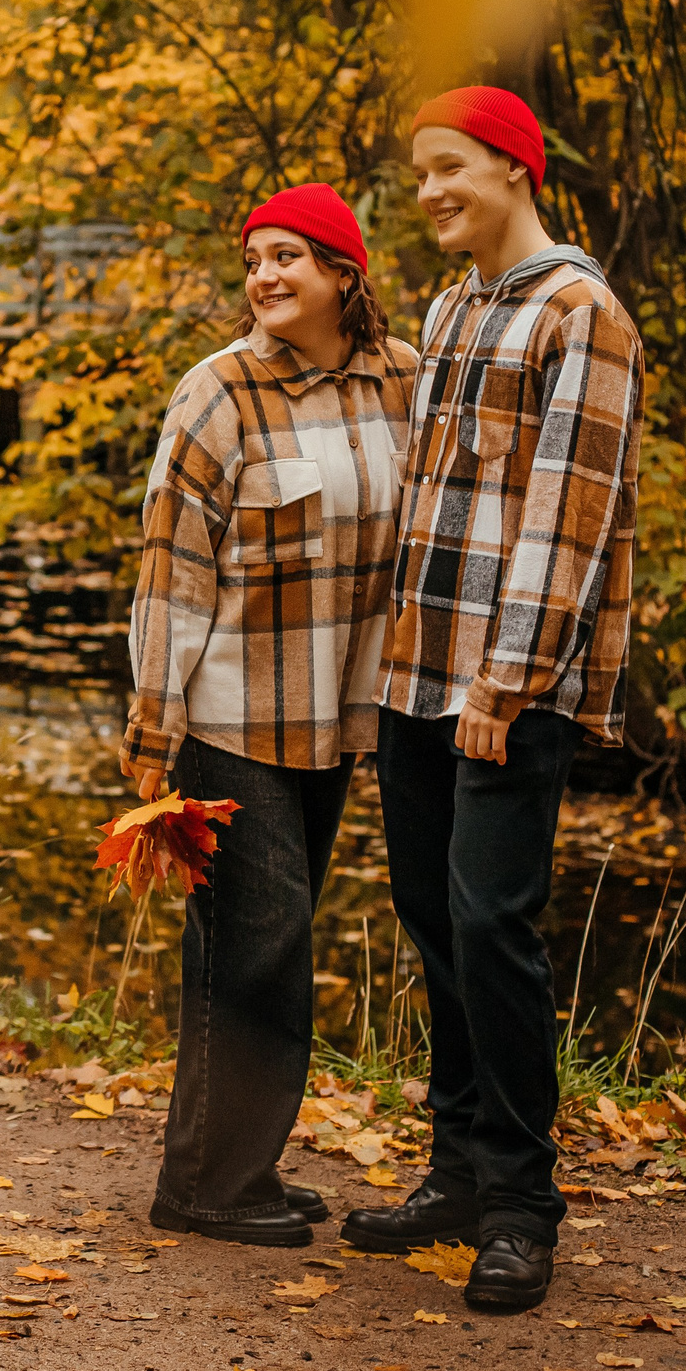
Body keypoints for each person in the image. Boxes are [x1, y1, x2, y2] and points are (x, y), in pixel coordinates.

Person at [340, 87, 645, 1312]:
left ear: (514, 168)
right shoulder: (454, 303)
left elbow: (568, 517)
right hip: (415, 669)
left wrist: (506, 682)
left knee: (490, 927)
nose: (427, 193)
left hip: (504, 682)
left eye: (449, 168)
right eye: (418, 173)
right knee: (429, 915)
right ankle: (455, 1171)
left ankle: (522, 1207)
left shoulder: (583, 313)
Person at [119, 184, 421, 1248]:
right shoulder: (217, 395)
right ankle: (207, 1184)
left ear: (347, 272)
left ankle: (229, 1164)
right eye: (254, 260)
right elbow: (171, 571)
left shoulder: (403, 379)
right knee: (258, 942)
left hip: (337, 714)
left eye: (289, 256)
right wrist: (152, 730)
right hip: (229, 716)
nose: (265, 277)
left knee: (263, 939)